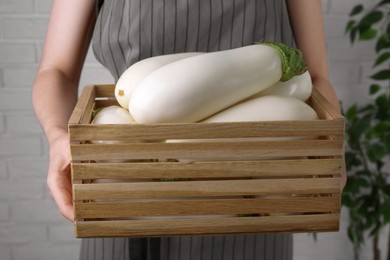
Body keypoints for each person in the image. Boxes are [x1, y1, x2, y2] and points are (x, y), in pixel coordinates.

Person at [32, 0, 345, 259]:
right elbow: (56, 71)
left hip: (250, 200)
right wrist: (59, 136)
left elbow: (313, 76)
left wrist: (331, 148)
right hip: (124, 193)